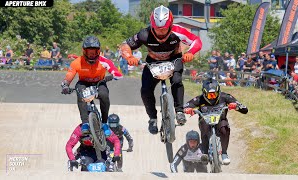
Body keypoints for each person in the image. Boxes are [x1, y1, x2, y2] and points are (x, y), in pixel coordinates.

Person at [120, 5, 202, 134]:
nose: (161, 33)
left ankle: (179, 111)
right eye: (157, 29)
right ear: (152, 25)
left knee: (177, 80)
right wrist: (129, 56)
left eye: (164, 29)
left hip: (174, 59)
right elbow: (125, 45)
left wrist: (190, 52)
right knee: (145, 90)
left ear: (170, 25)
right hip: (153, 62)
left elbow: (196, 40)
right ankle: (152, 118)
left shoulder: (178, 31)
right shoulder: (144, 34)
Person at [61, 36, 123, 134]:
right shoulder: (77, 62)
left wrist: (111, 76)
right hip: (83, 83)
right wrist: (65, 86)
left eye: (94, 52)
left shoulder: (104, 61)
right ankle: (85, 122)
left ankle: (104, 123)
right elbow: (68, 77)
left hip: (100, 83)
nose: (91, 55)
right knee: (80, 93)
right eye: (89, 52)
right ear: (84, 51)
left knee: (104, 95)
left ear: (98, 51)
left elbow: (118, 74)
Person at [183, 80, 248, 165]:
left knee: (225, 128)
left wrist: (236, 106)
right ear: (204, 93)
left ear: (219, 92)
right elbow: (185, 106)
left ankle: (224, 153)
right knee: (205, 127)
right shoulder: (199, 99)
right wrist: (187, 109)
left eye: (214, 94)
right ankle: (205, 153)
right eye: (210, 95)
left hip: (221, 121)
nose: (212, 97)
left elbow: (245, 109)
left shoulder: (225, 97)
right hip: (205, 121)